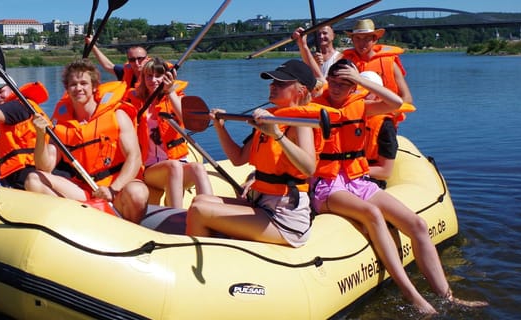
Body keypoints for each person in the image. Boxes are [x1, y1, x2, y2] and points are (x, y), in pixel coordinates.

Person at [312, 59, 488, 314]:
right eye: (333, 82)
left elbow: (395, 103)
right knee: (372, 214)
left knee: (418, 224)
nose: (337, 88)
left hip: (357, 180)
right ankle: (413, 296)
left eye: (344, 84)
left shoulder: (361, 106)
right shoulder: (314, 108)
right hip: (327, 185)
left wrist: (359, 79)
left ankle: (447, 296)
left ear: (353, 87)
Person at [185, 60, 321, 247]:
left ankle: (206, 257)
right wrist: (220, 128)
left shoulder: (300, 123)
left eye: (280, 83)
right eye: (272, 82)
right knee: (199, 200)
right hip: (263, 203)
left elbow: (309, 168)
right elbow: (238, 159)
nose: (272, 86)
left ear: (301, 91)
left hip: (285, 217)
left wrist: (277, 134)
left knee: (199, 210)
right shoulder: (269, 118)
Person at [24, 59, 149, 222]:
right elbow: (44, 167)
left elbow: (135, 157)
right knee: (33, 179)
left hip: (117, 188)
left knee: (137, 192)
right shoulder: (62, 125)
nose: (78, 88)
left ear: (94, 86)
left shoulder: (117, 115)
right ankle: (74, 224)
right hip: (84, 190)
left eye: (83, 83)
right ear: (67, 89)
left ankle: (131, 230)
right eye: (73, 84)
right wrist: (41, 136)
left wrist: (113, 189)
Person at [125, 57, 211, 208]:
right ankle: (175, 215)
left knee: (198, 167)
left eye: (158, 76)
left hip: (177, 162)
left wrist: (170, 91)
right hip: (150, 167)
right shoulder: (134, 101)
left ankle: (210, 211)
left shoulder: (176, 97)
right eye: (149, 76)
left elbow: (186, 120)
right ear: (143, 78)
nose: (154, 80)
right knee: (173, 166)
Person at [341, 19, 414, 186]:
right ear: (352, 40)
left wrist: (382, 110)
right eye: (357, 38)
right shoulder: (346, 63)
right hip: (354, 121)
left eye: (367, 39)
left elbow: (407, 98)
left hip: (381, 122)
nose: (362, 43)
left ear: (374, 39)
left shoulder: (389, 63)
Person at [85, 36, 150, 88]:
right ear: (129, 61)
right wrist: (92, 45)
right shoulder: (124, 72)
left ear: (147, 59)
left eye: (140, 59)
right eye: (132, 60)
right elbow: (108, 66)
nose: (136, 63)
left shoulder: (154, 75)